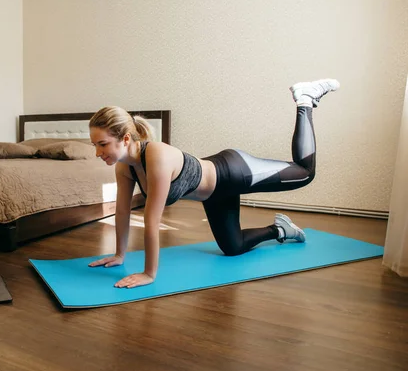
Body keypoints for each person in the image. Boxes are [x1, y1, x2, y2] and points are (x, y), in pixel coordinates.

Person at [87, 79, 340, 288]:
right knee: (233, 247)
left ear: (125, 138)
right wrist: (120, 255)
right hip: (214, 195)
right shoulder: (125, 167)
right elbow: (122, 211)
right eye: (94, 145)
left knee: (304, 172)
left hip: (232, 171)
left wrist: (149, 274)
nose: (98, 153)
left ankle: (305, 100)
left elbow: (152, 221)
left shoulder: (156, 156)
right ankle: (281, 230)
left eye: (103, 144)